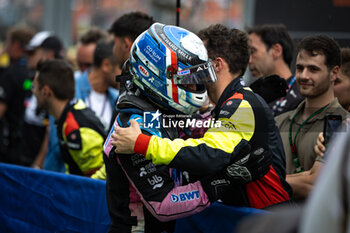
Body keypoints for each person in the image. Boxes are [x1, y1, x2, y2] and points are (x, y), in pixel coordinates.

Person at [104, 23, 274, 233]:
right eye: (188, 80)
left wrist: (245, 106)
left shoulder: (163, 112)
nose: (195, 87)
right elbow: (164, 205)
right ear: (155, 73)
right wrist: (225, 179)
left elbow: (195, 131)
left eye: (197, 79)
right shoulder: (133, 127)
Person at [275, 35, 348, 201]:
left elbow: (315, 185)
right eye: (300, 68)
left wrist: (267, 184)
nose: (304, 76)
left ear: (334, 73)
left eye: (313, 69)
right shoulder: (279, 122)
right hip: (273, 222)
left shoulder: (344, 124)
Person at [102, 11, 155, 233]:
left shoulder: (142, 88)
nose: (112, 47)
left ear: (125, 43)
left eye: (114, 42)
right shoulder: (140, 81)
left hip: (135, 219)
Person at [32, 59, 106, 179]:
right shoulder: (72, 110)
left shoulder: (74, 128)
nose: (33, 92)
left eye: (34, 86)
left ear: (46, 92)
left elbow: (97, 182)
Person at [247, 24, 303, 116]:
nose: (249, 60)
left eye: (253, 51)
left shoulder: (302, 96)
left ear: (276, 51)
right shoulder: (251, 96)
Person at [0, 26, 34, 164]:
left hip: (10, 146)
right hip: (31, 145)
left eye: (7, 43)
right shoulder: (35, 72)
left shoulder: (11, 75)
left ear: (15, 45)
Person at [75, 39, 119, 129]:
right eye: (122, 66)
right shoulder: (70, 91)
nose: (127, 72)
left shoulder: (117, 99)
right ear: (106, 65)